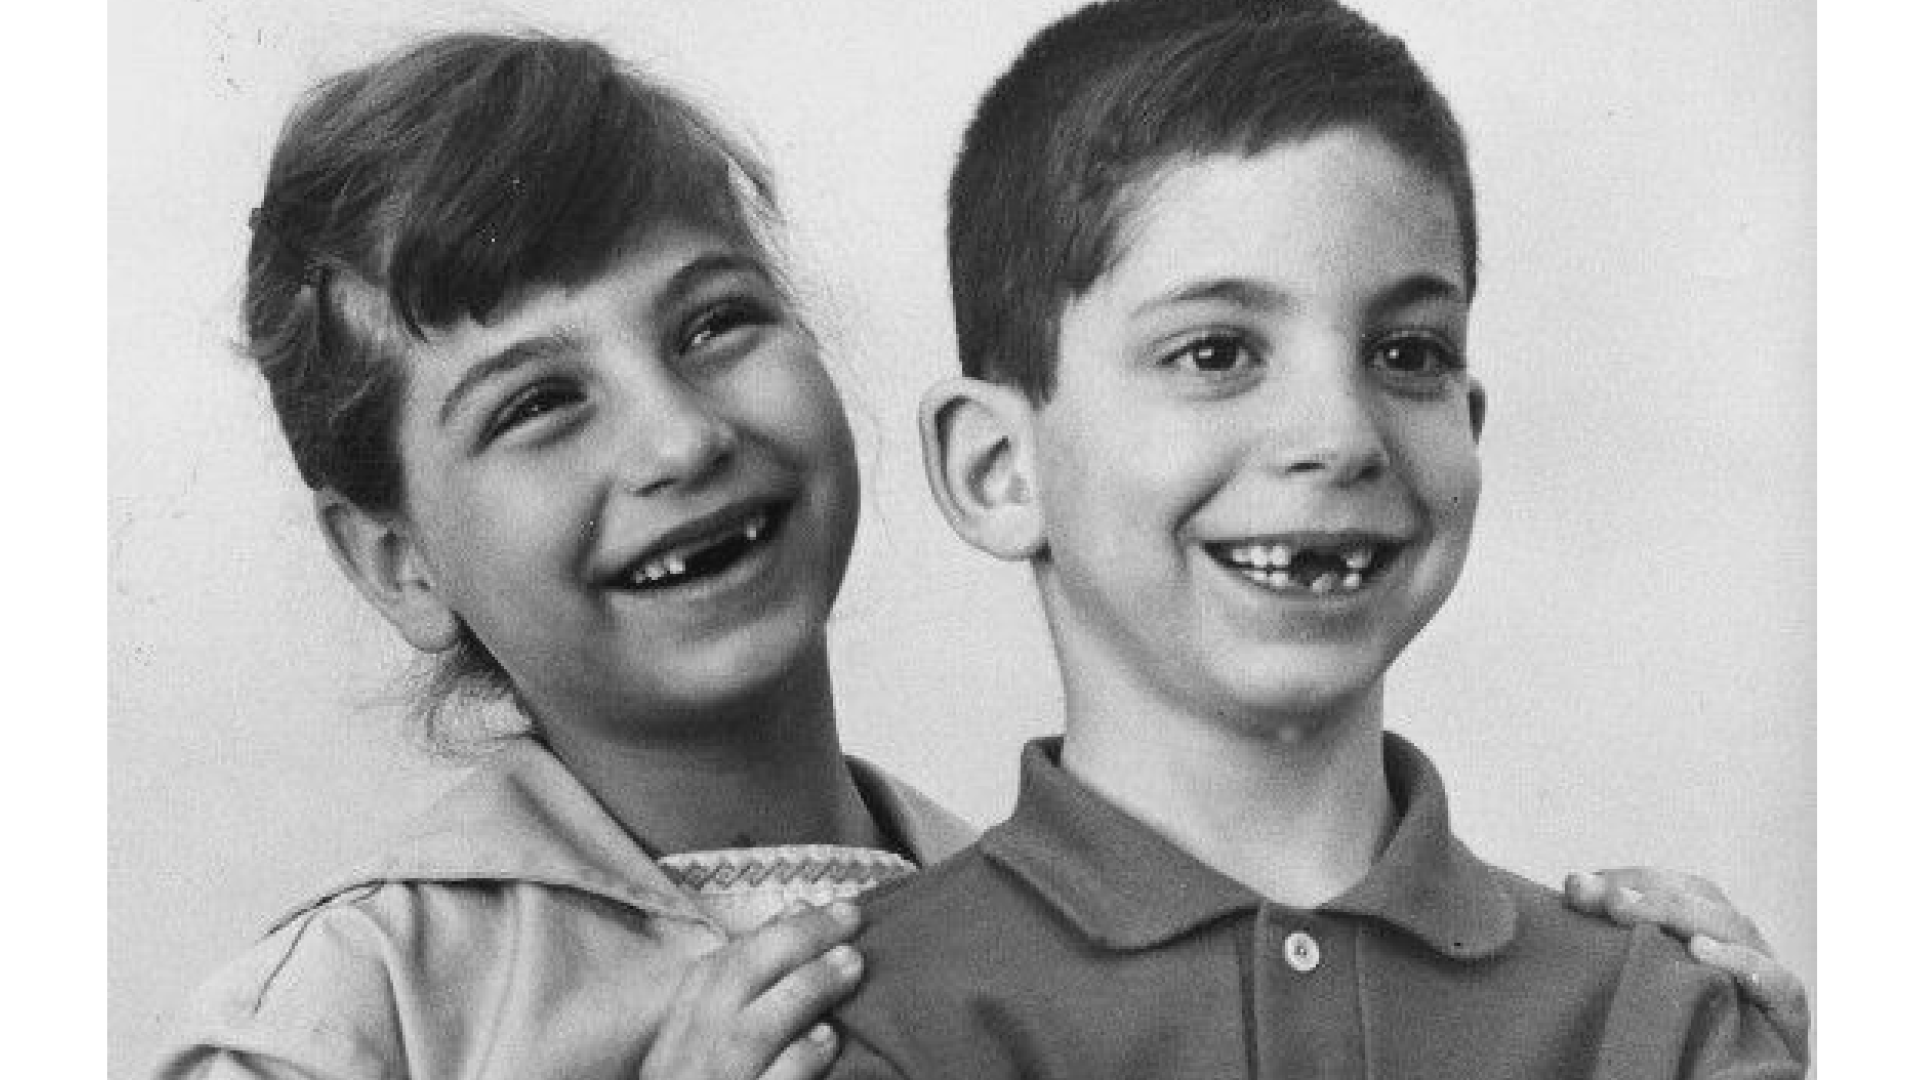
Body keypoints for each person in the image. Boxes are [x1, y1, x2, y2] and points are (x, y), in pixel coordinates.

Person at [152, 26, 1803, 1080]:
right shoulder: (358, 1006)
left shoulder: (1004, 914)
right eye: (537, 407)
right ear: (397, 563)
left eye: (719, 324)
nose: (675, 438)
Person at [822, 1, 1807, 1077]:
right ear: (997, 469)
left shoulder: (1654, 1016)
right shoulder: (859, 1027)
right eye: (1215, 352)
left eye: (1408, 351)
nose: (1340, 436)